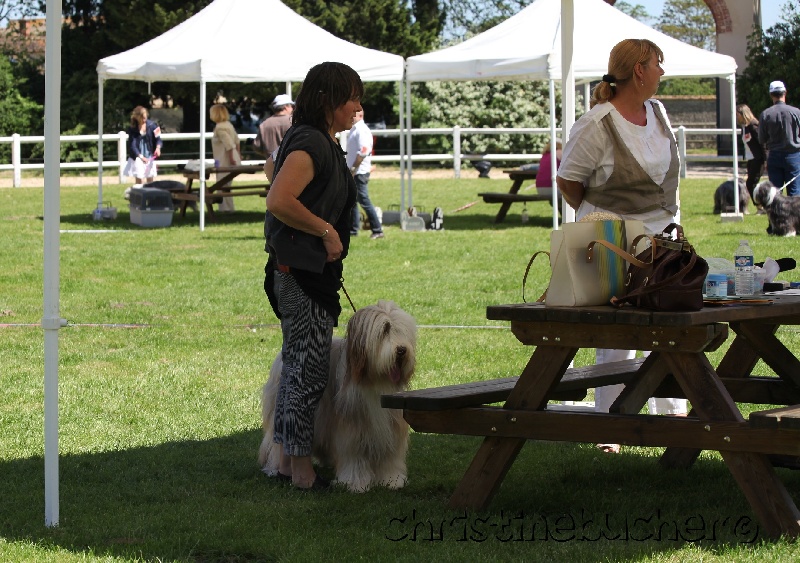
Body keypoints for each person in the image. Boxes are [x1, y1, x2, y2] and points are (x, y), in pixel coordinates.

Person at [556, 38, 687, 454]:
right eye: (658, 65)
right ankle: (611, 425)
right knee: (615, 336)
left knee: (671, 324)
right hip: (609, 240)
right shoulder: (596, 123)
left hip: (664, 238)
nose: (662, 73)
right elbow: (568, 182)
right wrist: (602, 217)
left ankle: (675, 412)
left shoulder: (659, 112)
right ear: (639, 72)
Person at [263, 62, 362, 490]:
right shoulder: (311, 143)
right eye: (351, 97)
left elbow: (274, 172)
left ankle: (286, 462)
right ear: (328, 100)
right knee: (308, 374)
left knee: (298, 370)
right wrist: (325, 231)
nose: (358, 107)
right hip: (301, 275)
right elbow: (279, 198)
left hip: (304, 273)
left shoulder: (318, 141)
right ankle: (301, 472)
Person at [758, 81, 800, 196]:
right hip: (793, 155)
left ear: (771, 95)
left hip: (774, 155)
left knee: (775, 194)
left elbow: (762, 139)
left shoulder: (766, 114)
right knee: (795, 193)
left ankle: (777, 214)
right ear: (785, 93)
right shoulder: (796, 112)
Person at [347, 109, 384, 239]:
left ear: (360, 115)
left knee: (364, 200)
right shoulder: (355, 129)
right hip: (356, 170)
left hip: (359, 171)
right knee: (353, 200)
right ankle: (353, 229)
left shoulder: (361, 130)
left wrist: (354, 168)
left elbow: (363, 150)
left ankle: (377, 229)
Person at [210, 103, 242, 213]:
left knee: (222, 185)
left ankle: (226, 209)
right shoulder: (228, 125)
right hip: (232, 157)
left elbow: (229, 144)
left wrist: (232, 158)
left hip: (225, 160)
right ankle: (227, 208)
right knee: (226, 185)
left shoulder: (219, 128)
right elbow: (237, 141)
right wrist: (238, 155)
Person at [123, 106, 162, 185]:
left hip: (149, 155)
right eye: (142, 117)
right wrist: (141, 157)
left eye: (145, 117)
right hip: (138, 156)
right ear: (137, 117)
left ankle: (151, 196)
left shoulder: (153, 125)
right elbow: (133, 145)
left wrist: (158, 148)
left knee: (150, 179)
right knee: (140, 179)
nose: (144, 119)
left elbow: (159, 139)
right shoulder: (132, 129)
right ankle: (139, 195)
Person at [735, 104, 765, 205]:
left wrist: (766, 159)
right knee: (751, 183)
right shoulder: (744, 126)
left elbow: (762, 143)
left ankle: (760, 206)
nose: (736, 116)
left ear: (743, 114)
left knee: (751, 183)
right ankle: (760, 206)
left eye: (737, 114)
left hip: (758, 159)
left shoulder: (753, 125)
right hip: (750, 159)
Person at [254, 94, 294, 159]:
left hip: (272, 165)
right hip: (291, 164)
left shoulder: (264, 124)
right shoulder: (294, 122)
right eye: (291, 106)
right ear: (286, 107)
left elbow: (257, 146)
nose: (292, 108)